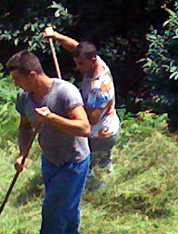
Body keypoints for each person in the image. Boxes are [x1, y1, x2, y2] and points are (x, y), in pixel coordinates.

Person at [7, 50, 91, 234]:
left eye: (18, 79)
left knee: (53, 207)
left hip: (74, 160)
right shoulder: (24, 98)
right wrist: (22, 154)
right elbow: (25, 126)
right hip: (50, 159)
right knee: (66, 204)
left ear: (32, 74)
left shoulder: (65, 92)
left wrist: (52, 118)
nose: (16, 84)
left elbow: (84, 128)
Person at [42, 27, 120, 179]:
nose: (78, 67)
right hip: (102, 129)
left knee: (96, 171)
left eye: (81, 64)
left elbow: (92, 118)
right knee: (98, 166)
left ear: (92, 60)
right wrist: (55, 35)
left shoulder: (99, 87)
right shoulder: (95, 61)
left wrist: (68, 108)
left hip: (101, 134)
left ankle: (98, 195)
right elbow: (74, 46)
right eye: (77, 62)